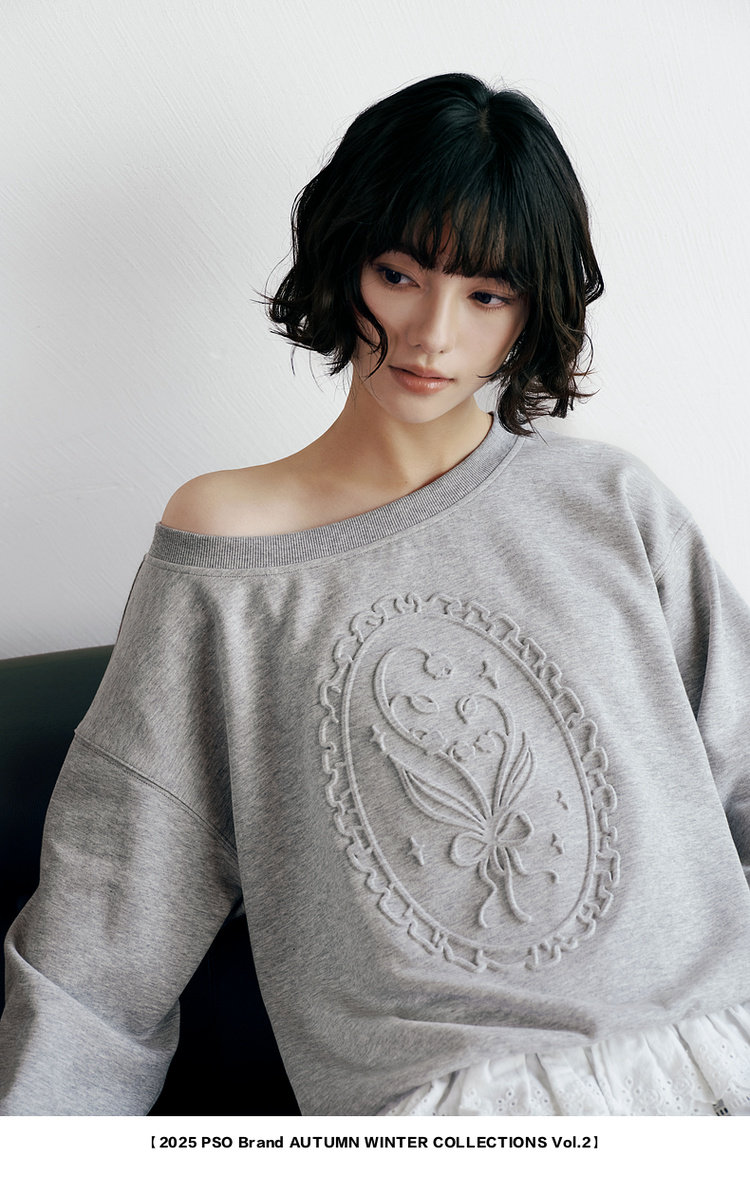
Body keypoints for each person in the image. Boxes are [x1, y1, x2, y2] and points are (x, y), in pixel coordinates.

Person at [2, 72, 750, 1117]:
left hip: (722, 1059)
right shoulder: (229, 553)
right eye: (400, 275)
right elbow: (110, 916)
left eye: (487, 295)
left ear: (531, 310)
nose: (434, 334)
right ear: (343, 259)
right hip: (456, 1113)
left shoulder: (610, 502)